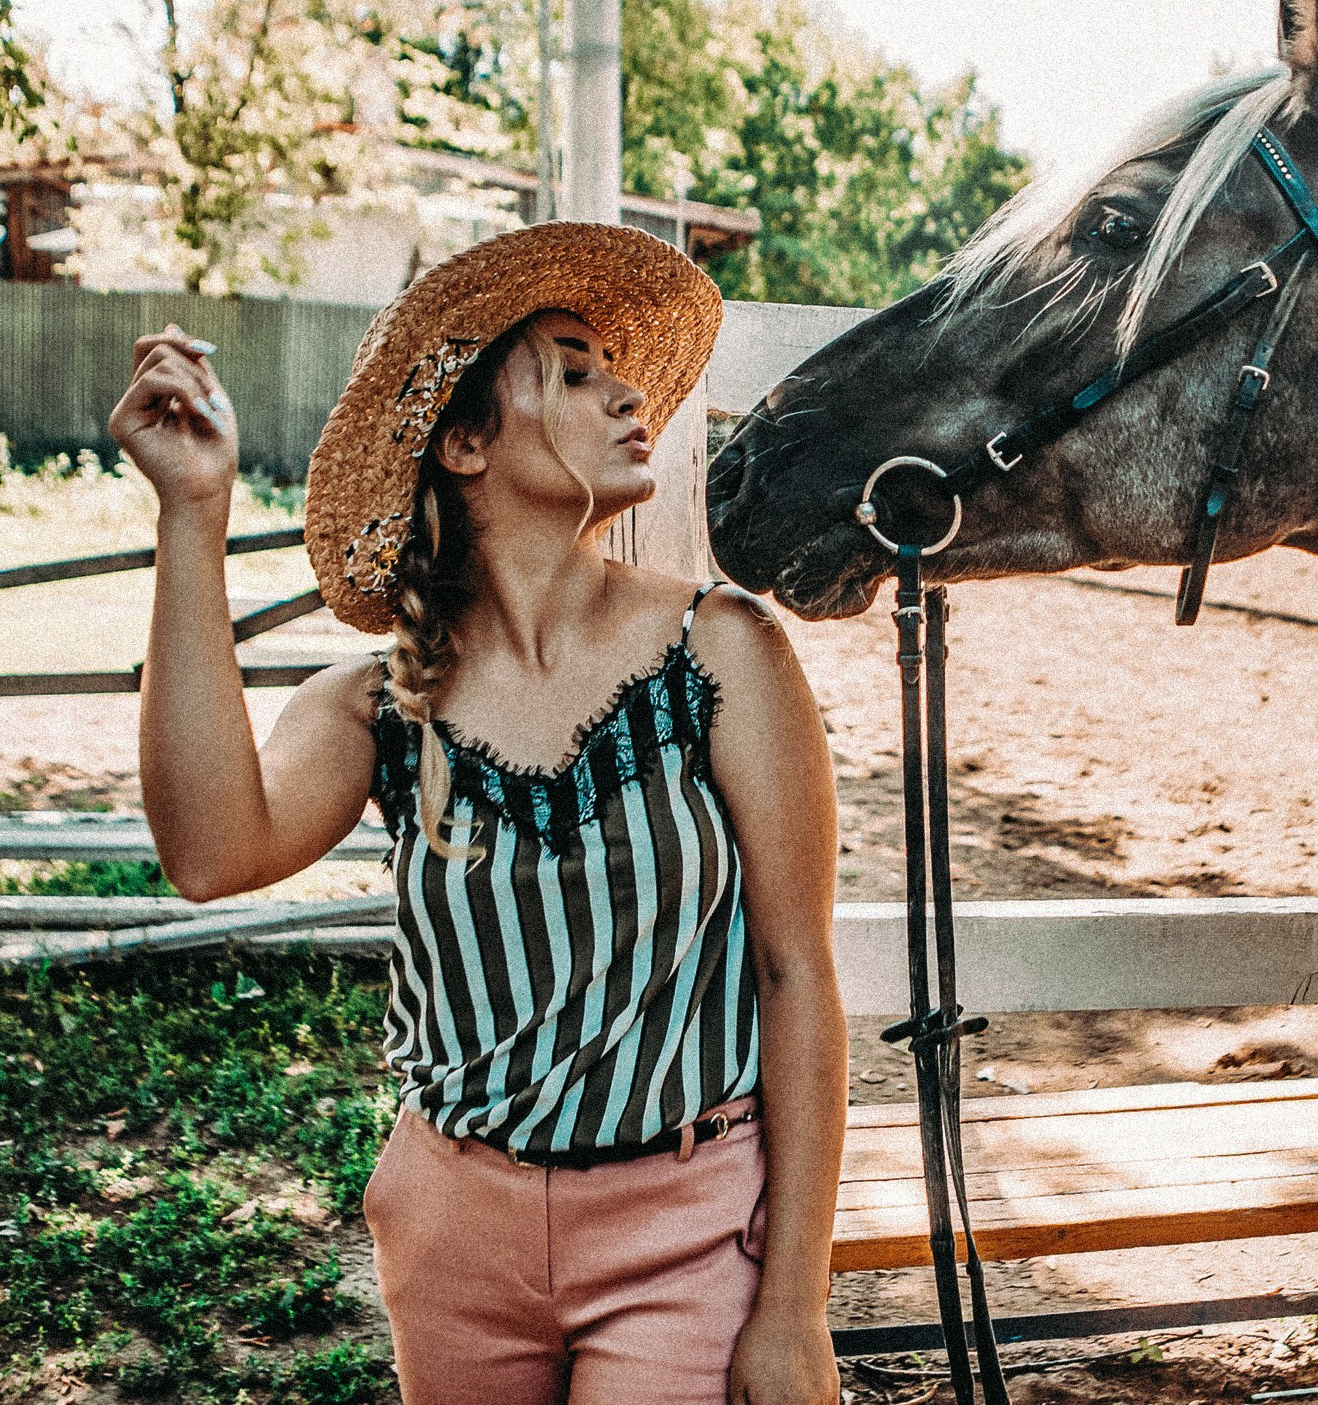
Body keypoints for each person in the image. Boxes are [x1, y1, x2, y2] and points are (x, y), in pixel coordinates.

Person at [109, 222, 847, 1405]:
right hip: (451, 1226)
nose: (622, 392)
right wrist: (191, 515)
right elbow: (208, 854)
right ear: (462, 442)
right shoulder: (380, 703)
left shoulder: (723, 654)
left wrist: (795, 1306)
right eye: (568, 369)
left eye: (611, 367)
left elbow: (796, 972)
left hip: (688, 1220)